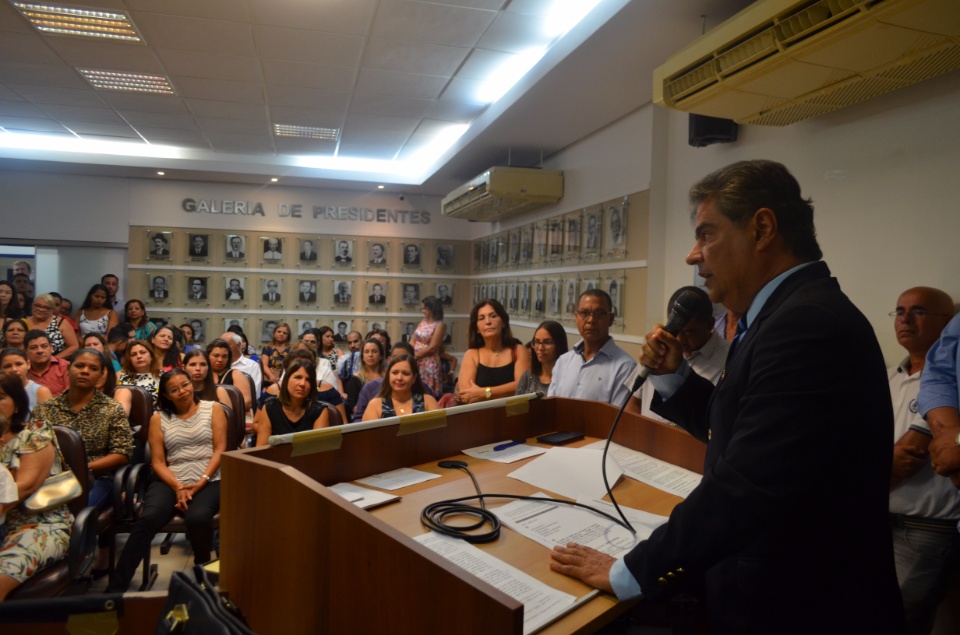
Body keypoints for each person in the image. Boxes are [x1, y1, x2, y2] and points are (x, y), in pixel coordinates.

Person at [549, 160, 905, 634]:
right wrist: (675, 378)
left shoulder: (806, 326)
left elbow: (748, 483)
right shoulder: (782, 315)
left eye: (706, 234)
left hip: (800, 607)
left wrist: (629, 571)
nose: (692, 256)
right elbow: (744, 431)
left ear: (761, 228)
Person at [877, 287, 958, 634]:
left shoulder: (948, 394)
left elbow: (906, 459)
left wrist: (869, 468)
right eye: (899, 311)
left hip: (926, 530)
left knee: (894, 622)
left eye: (919, 311)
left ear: (948, 324)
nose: (905, 319)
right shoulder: (886, 378)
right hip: (877, 521)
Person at [106, 369, 226, 593]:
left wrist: (201, 482)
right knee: (149, 518)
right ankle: (116, 587)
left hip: (210, 477)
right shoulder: (158, 418)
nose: (182, 392)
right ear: (166, 395)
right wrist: (178, 486)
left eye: (185, 385)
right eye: (174, 389)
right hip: (171, 477)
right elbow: (159, 462)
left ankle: (204, 577)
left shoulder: (214, 409)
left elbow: (220, 450)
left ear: (192, 384)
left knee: (198, 517)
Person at [32, 348, 133, 574]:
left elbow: (123, 452)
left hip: (97, 477)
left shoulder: (111, 408)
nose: (85, 371)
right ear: (68, 369)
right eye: (80, 366)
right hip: (51, 478)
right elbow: (32, 448)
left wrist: (82, 467)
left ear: (101, 376)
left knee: (71, 514)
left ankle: (67, 569)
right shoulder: (45, 409)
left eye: (93, 369)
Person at [0, 374, 73, 601]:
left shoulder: (35, 434)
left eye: (0, 397)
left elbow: (23, 487)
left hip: (38, 525)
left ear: (18, 403)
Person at [625, 286, 729, 423]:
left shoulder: (730, 358)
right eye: (677, 329)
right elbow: (634, 403)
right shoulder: (657, 348)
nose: (679, 340)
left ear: (710, 324)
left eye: (688, 332)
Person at [547, 289, 635, 404]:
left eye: (599, 314)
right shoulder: (563, 362)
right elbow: (551, 407)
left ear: (611, 319)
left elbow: (617, 419)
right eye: (584, 313)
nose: (591, 320)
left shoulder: (625, 367)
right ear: (576, 317)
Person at [456, 300, 530, 403]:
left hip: (512, 414)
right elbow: (467, 396)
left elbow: (522, 386)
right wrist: (505, 392)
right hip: (480, 415)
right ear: (477, 328)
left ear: (503, 322)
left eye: (493, 316)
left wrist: (485, 393)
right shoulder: (472, 354)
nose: (488, 322)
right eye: (481, 318)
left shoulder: (519, 350)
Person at [255, 359, 331, 445]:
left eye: (308, 380)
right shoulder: (270, 407)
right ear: (286, 380)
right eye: (297, 377)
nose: (302, 384)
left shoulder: (319, 411)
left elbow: (318, 451)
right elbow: (261, 448)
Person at [362, 354, 438, 420]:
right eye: (395, 373)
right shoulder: (375, 405)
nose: (399, 378)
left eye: (405, 373)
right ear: (388, 376)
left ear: (414, 378)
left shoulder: (428, 401)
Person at [516, 321, 568, 396]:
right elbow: (516, 406)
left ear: (559, 344)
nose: (540, 348)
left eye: (547, 342)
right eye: (537, 342)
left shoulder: (567, 379)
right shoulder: (528, 376)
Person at [25, 294, 78, 359]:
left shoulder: (61, 322)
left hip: (56, 363)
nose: (41, 309)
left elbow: (74, 346)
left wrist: (53, 360)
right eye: (37, 306)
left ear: (52, 310)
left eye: (46, 307)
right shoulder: (23, 322)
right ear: (32, 306)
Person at [206, 339, 252, 413]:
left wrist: (224, 409)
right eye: (216, 356)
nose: (220, 360)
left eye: (224, 356)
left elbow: (247, 402)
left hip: (229, 415)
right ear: (207, 356)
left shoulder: (235, 374)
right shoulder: (202, 374)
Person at [413, 296, 446, 396]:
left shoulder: (439, 325)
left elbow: (433, 347)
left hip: (428, 362)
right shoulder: (423, 322)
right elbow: (413, 339)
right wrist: (410, 353)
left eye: (424, 308)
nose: (422, 311)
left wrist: (416, 356)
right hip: (416, 361)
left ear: (431, 309)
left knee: (428, 392)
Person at [344, 338, 385, 419]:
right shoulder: (356, 378)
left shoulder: (388, 376)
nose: (370, 355)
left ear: (381, 356)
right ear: (362, 357)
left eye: (374, 351)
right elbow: (351, 405)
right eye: (366, 352)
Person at [116, 339, 162, 410]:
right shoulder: (120, 375)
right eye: (134, 354)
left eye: (143, 352)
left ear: (151, 356)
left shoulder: (163, 376)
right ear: (130, 359)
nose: (139, 356)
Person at [25, 330, 69, 397]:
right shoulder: (22, 370)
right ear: (25, 351)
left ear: (51, 348)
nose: (40, 351)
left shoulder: (64, 366)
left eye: (44, 346)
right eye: (33, 347)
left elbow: (72, 396)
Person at [219, 332, 262, 397]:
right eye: (220, 346)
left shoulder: (251, 366)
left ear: (238, 345)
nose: (222, 349)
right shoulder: (218, 364)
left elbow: (255, 394)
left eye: (226, 345)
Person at [260, 322, 291, 387]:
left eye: (285, 333)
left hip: (287, 379)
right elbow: (264, 365)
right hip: (270, 379)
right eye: (279, 332)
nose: (281, 334)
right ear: (274, 333)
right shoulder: (267, 348)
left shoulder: (292, 349)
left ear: (288, 336)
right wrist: (270, 376)